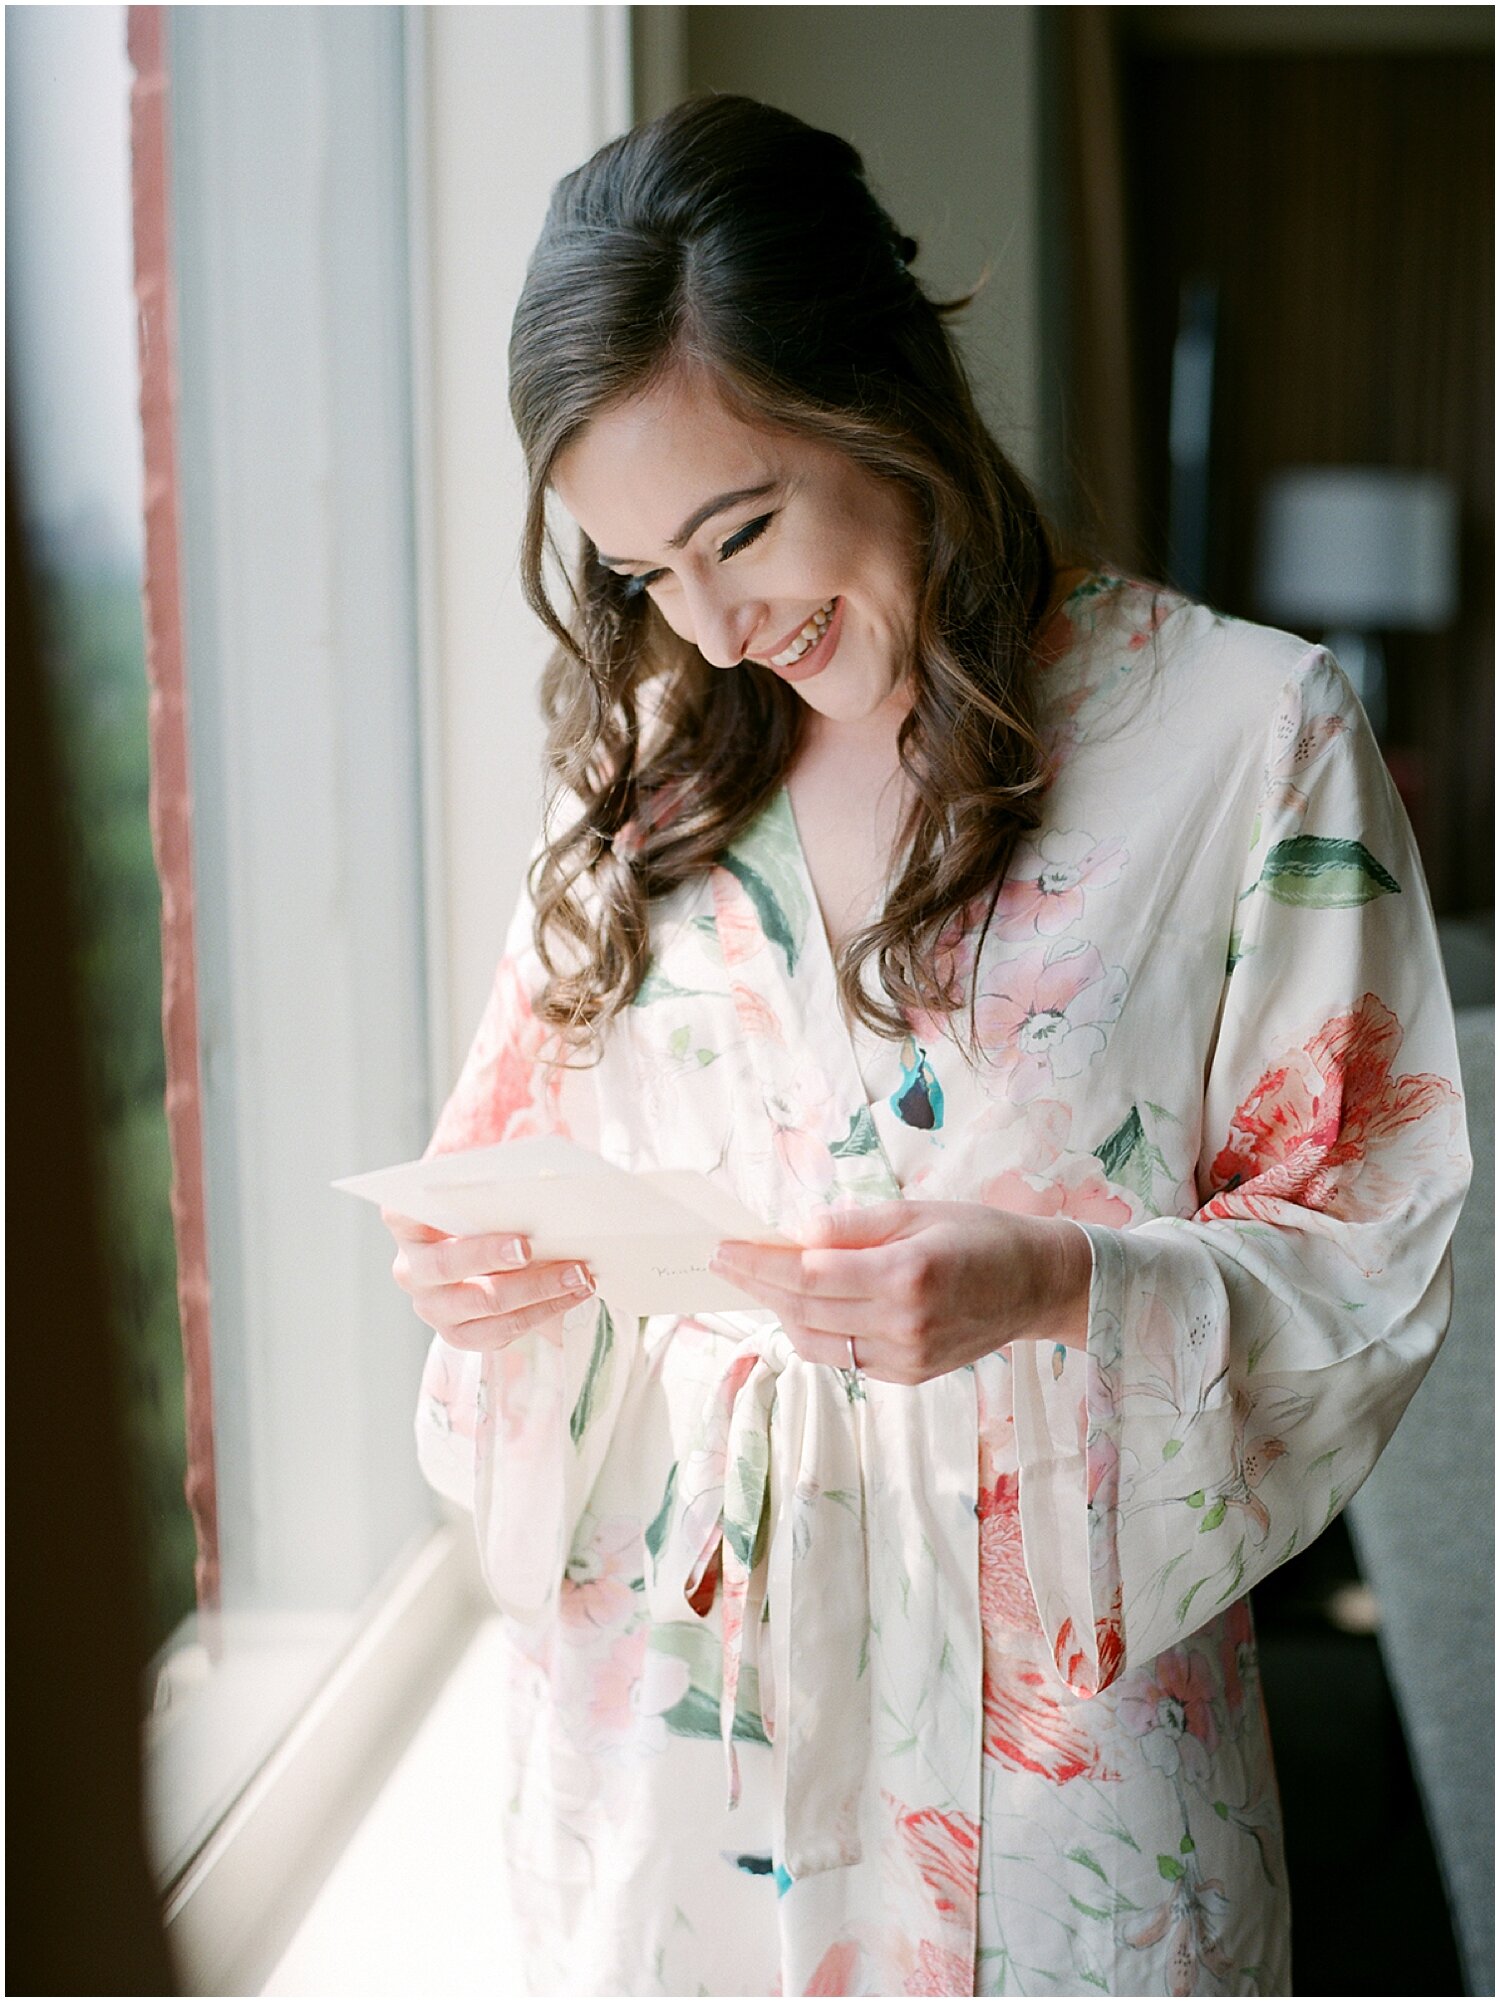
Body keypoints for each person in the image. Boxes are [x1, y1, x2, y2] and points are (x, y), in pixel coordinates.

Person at [383, 96, 1469, 1998]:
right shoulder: (644, 778)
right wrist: (488, 1277)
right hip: (673, 1762)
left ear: (888, 400)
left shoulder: (1242, 738)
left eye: (743, 525)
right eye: (643, 575)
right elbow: (514, 1176)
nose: (713, 627)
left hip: (1068, 1796)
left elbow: (1372, 1251)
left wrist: (1063, 1279)